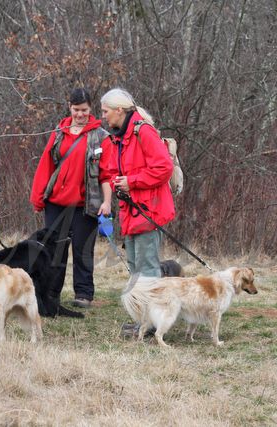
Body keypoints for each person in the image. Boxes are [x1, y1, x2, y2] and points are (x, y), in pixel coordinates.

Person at [30, 88, 113, 309]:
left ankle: (83, 294)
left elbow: (107, 174)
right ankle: (51, 293)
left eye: (84, 110)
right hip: (56, 203)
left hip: (86, 204)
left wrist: (107, 202)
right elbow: (46, 165)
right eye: (76, 110)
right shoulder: (59, 131)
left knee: (82, 248)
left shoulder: (101, 136)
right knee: (54, 249)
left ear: (90, 109)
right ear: (70, 107)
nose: (80, 114)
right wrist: (38, 198)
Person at [100, 88, 174, 277]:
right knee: (134, 266)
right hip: (131, 210)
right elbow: (115, 170)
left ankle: (152, 306)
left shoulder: (143, 131)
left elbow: (164, 168)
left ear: (119, 110)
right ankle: (140, 305)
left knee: (147, 268)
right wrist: (118, 181)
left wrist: (131, 182)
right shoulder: (119, 136)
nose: (103, 116)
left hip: (148, 209)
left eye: (105, 111)